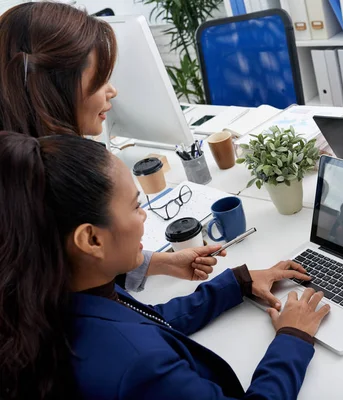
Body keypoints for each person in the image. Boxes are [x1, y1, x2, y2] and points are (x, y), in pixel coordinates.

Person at [0, 132, 331, 399]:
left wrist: (237, 282)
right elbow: (139, 339)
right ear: (91, 240)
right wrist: (293, 338)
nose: (144, 216)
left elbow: (147, 320)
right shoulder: (139, 366)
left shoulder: (54, 295)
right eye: (135, 207)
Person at [0, 1, 211, 291]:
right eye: (99, 80)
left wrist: (161, 263)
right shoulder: (29, 199)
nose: (112, 90)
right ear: (53, 89)